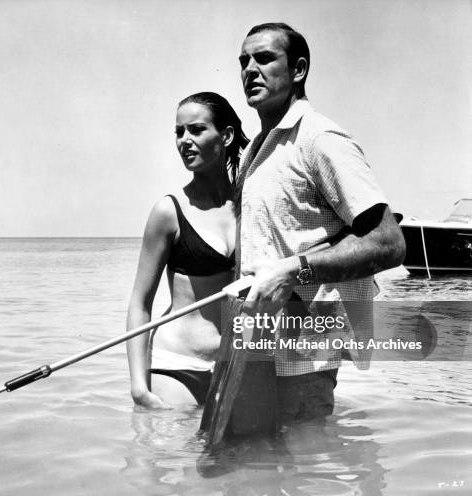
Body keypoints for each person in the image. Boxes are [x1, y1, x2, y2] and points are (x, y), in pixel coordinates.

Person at [234, 23, 406, 427]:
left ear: (298, 70)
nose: (249, 70)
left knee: (310, 473)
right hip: (256, 345)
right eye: (243, 61)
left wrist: (295, 269)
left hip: (305, 355)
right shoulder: (255, 152)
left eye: (263, 58)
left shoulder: (321, 139)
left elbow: (389, 244)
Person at [126, 92, 249, 409]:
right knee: (172, 459)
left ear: (226, 136)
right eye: (179, 132)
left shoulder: (251, 208)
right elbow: (141, 303)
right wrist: (139, 387)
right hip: (177, 367)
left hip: (235, 365)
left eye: (196, 130)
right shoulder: (168, 212)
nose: (184, 140)